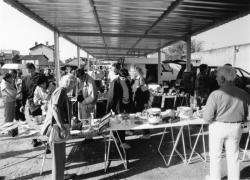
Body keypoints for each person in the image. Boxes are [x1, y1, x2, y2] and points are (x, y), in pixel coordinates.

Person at [204, 66, 250, 180]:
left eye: (218, 78)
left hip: (218, 126)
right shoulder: (244, 93)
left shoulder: (215, 94)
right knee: (233, 156)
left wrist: (211, 120)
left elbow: (207, 117)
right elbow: (248, 115)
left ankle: (215, 178)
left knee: (215, 155)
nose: (216, 80)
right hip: (236, 127)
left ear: (223, 79)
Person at [45, 74, 77, 180]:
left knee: (61, 156)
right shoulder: (61, 91)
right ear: (70, 83)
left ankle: (61, 176)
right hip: (56, 127)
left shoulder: (61, 91)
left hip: (58, 126)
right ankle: (58, 178)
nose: (73, 88)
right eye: (73, 85)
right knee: (58, 157)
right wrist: (61, 126)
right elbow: (55, 108)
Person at [106, 68, 134, 149]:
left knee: (123, 123)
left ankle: (116, 136)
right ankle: (122, 143)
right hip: (119, 106)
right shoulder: (115, 82)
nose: (124, 78)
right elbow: (111, 97)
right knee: (122, 123)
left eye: (125, 77)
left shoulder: (127, 81)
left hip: (127, 105)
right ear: (119, 76)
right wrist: (108, 109)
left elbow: (130, 92)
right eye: (123, 77)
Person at [132, 66, 151, 139]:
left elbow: (146, 92)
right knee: (138, 116)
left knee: (142, 117)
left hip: (141, 102)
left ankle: (147, 134)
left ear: (137, 72)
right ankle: (135, 130)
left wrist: (145, 102)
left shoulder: (142, 79)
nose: (132, 73)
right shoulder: (137, 79)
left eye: (134, 71)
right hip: (137, 101)